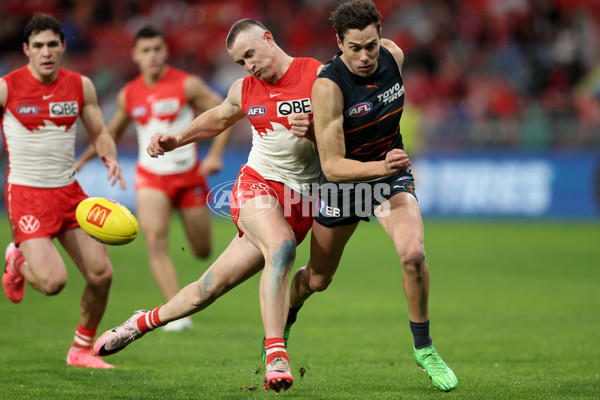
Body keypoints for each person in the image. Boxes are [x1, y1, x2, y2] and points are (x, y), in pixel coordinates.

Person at [92, 19, 323, 393]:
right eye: (240, 62)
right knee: (280, 247)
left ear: (268, 37)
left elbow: (345, 126)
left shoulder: (316, 75)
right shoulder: (245, 89)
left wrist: (314, 128)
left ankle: (140, 322)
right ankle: (276, 354)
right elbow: (218, 117)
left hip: (302, 201)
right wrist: (177, 138)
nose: (248, 65)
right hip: (257, 186)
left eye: (250, 54)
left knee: (208, 289)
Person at [284, 0, 458, 392]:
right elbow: (332, 167)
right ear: (338, 43)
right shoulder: (327, 87)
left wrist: (387, 168)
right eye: (354, 48)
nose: (365, 57)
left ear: (382, 36)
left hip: (390, 178)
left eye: (371, 46)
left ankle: (424, 348)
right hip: (347, 184)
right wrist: (382, 166)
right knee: (318, 278)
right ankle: (283, 322)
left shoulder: (393, 56)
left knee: (413, 254)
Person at [74, 26, 232, 331]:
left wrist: (215, 155)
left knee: (202, 250)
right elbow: (110, 134)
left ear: (166, 51)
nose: (153, 55)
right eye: (146, 50)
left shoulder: (188, 84)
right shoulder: (129, 93)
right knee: (155, 242)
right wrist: (82, 160)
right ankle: (177, 314)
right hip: (151, 178)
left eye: (157, 49)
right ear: (135, 55)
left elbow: (227, 114)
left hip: (189, 176)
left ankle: (183, 301)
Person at [1, 13, 126, 369]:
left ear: (63, 47)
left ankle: (80, 350)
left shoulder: (80, 85)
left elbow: (99, 131)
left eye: (52, 44)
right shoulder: (7, 87)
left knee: (102, 275)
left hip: (70, 193)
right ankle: (17, 260)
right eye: (38, 45)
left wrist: (108, 153)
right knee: (54, 282)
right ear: (26, 50)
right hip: (27, 195)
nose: (46, 52)